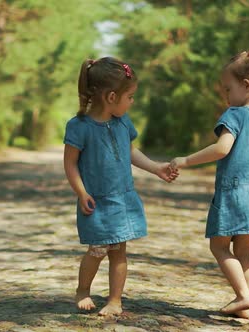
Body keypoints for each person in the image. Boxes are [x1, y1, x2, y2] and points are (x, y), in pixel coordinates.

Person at [170, 46, 249, 319]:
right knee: (245, 250)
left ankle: (243, 296)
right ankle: (244, 302)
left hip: (234, 192)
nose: (227, 96)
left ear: (246, 85)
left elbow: (222, 148)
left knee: (219, 246)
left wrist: (185, 160)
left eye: (228, 89)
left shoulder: (234, 115)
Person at [63, 57, 178, 316]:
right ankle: (83, 289)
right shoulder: (79, 126)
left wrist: (156, 168)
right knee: (97, 250)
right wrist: (81, 192)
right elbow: (70, 164)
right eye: (131, 96)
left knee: (119, 251)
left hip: (123, 200)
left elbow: (131, 152)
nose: (132, 102)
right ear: (112, 96)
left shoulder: (123, 122)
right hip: (97, 202)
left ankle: (115, 301)